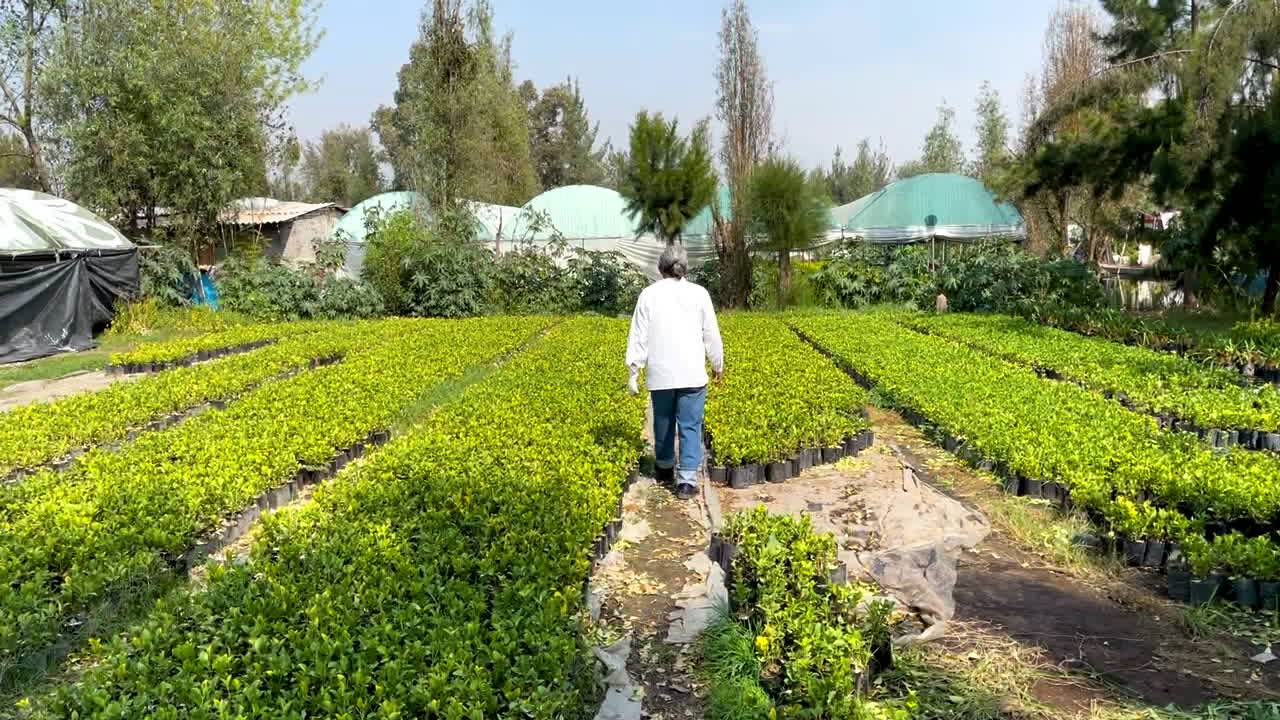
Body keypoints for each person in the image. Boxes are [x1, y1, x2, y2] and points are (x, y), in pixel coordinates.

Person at [625, 243, 724, 500]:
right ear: (684, 268)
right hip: (692, 373)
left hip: (661, 374)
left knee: (663, 421)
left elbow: (638, 336)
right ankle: (687, 481)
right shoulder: (700, 294)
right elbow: (711, 334)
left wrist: (634, 371)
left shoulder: (648, 295)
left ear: (661, 268)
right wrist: (717, 365)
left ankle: (665, 467)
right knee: (691, 425)